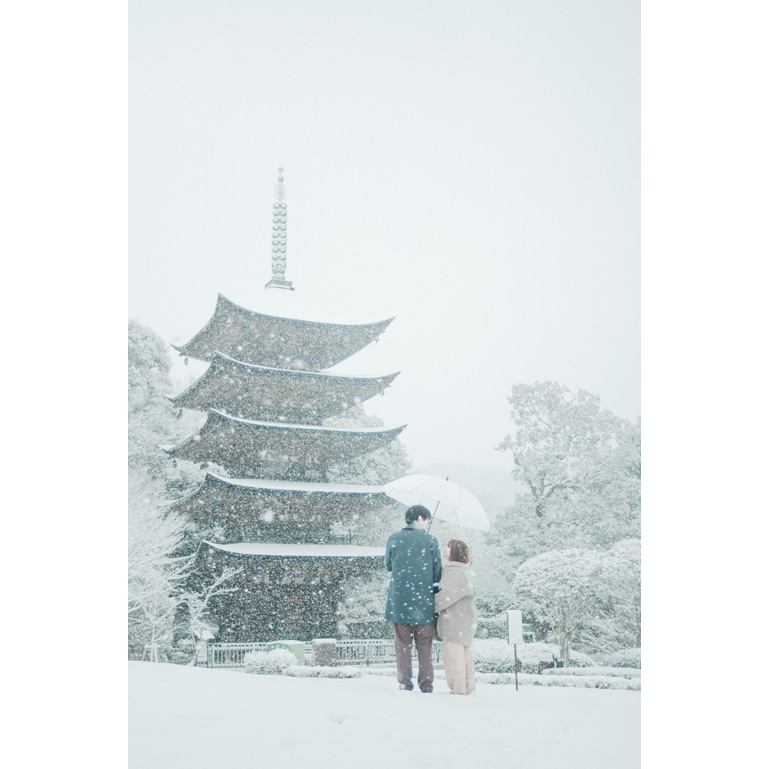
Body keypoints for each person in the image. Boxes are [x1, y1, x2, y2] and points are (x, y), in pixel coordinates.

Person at [384, 504, 442, 692]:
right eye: (427, 520)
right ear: (419, 519)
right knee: (425, 646)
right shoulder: (431, 540)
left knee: (402, 645)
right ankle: (426, 684)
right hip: (424, 604)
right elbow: (438, 572)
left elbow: (388, 565)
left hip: (399, 602)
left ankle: (404, 683)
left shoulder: (394, 538)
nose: (427, 524)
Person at [434, 539, 477, 695]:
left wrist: (430, 604)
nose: (444, 549)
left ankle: (459, 688)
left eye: (448, 547)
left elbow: (446, 596)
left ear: (455, 552)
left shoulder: (454, 571)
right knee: (464, 655)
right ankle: (467, 686)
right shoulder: (461, 570)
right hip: (463, 620)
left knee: (454, 656)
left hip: (454, 621)